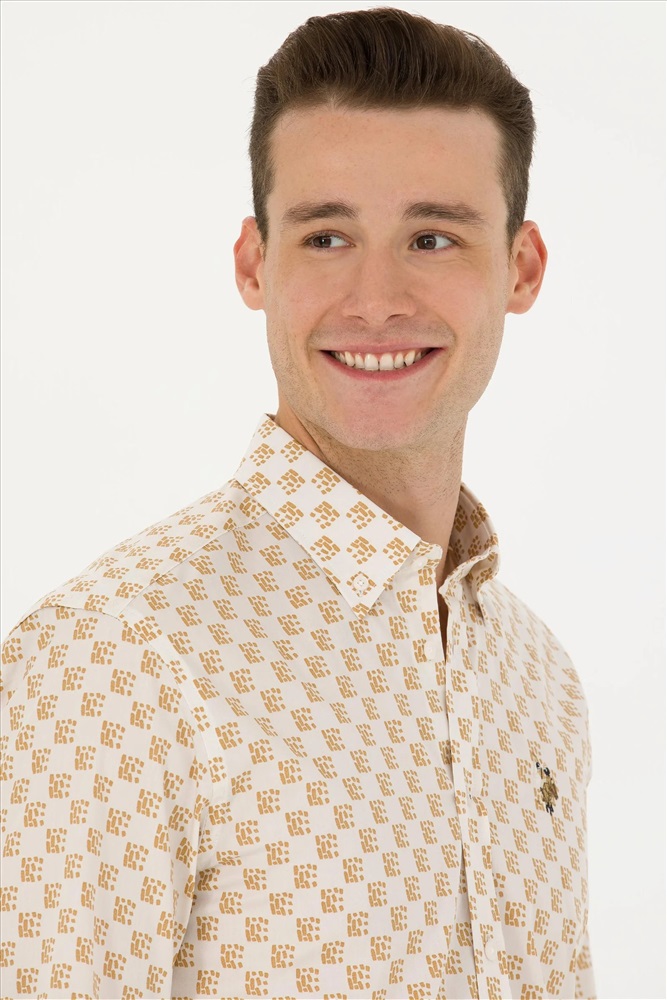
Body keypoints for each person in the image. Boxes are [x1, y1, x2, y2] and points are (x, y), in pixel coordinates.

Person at [0, 8, 594, 999]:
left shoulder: (537, 675)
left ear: (520, 267)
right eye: (326, 236)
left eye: (432, 237)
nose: (375, 298)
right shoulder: (114, 663)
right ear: (254, 263)